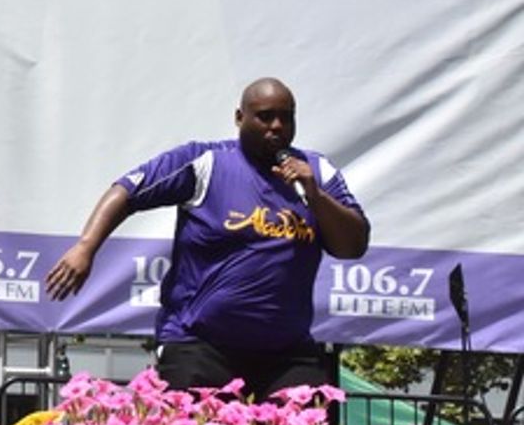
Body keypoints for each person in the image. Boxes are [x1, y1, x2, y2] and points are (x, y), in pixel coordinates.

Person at [44, 77, 369, 397]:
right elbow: (129, 190)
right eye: (265, 116)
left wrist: (314, 195)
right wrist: (86, 246)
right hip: (199, 346)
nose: (277, 126)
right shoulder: (207, 162)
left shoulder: (316, 172)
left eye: (286, 117)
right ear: (239, 118)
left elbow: (352, 245)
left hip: (286, 354)